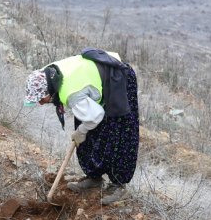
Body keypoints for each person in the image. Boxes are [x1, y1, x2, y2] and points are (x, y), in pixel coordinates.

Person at [24, 48, 139, 205]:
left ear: (48, 90)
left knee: (118, 132)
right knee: (85, 124)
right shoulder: (49, 74)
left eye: (41, 99)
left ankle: (119, 185)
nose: (40, 102)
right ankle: (94, 177)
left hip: (118, 77)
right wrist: (83, 129)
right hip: (97, 79)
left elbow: (96, 116)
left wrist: (82, 131)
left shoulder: (72, 93)